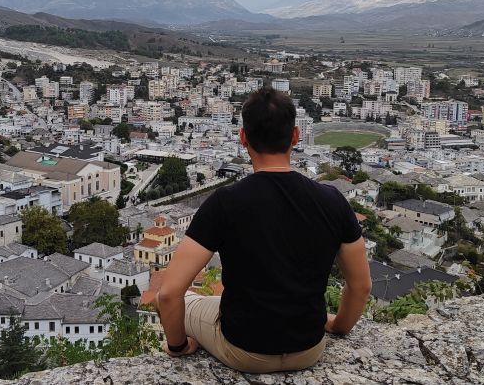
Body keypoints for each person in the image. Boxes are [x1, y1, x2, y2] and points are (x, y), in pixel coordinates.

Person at [155, 86, 372, 373]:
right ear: (295, 136)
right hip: (310, 349)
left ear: (243, 138)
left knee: (189, 300)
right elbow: (361, 286)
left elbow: (169, 294)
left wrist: (179, 347)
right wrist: (338, 326)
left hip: (244, 351)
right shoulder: (332, 200)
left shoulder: (225, 202)